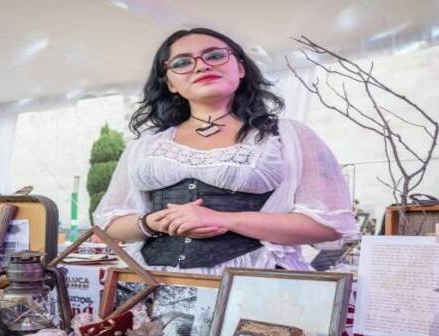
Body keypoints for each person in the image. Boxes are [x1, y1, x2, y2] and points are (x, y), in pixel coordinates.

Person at [93, 28, 357, 275]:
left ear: (240, 68)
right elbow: (109, 224)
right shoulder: (146, 144)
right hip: (151, 283)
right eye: (182, 62)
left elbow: (327, 226)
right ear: (170, 83)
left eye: (215, 56)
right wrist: (153, 222)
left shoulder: (287, 136)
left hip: (252, 282)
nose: (201, 66)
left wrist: (222, 219)